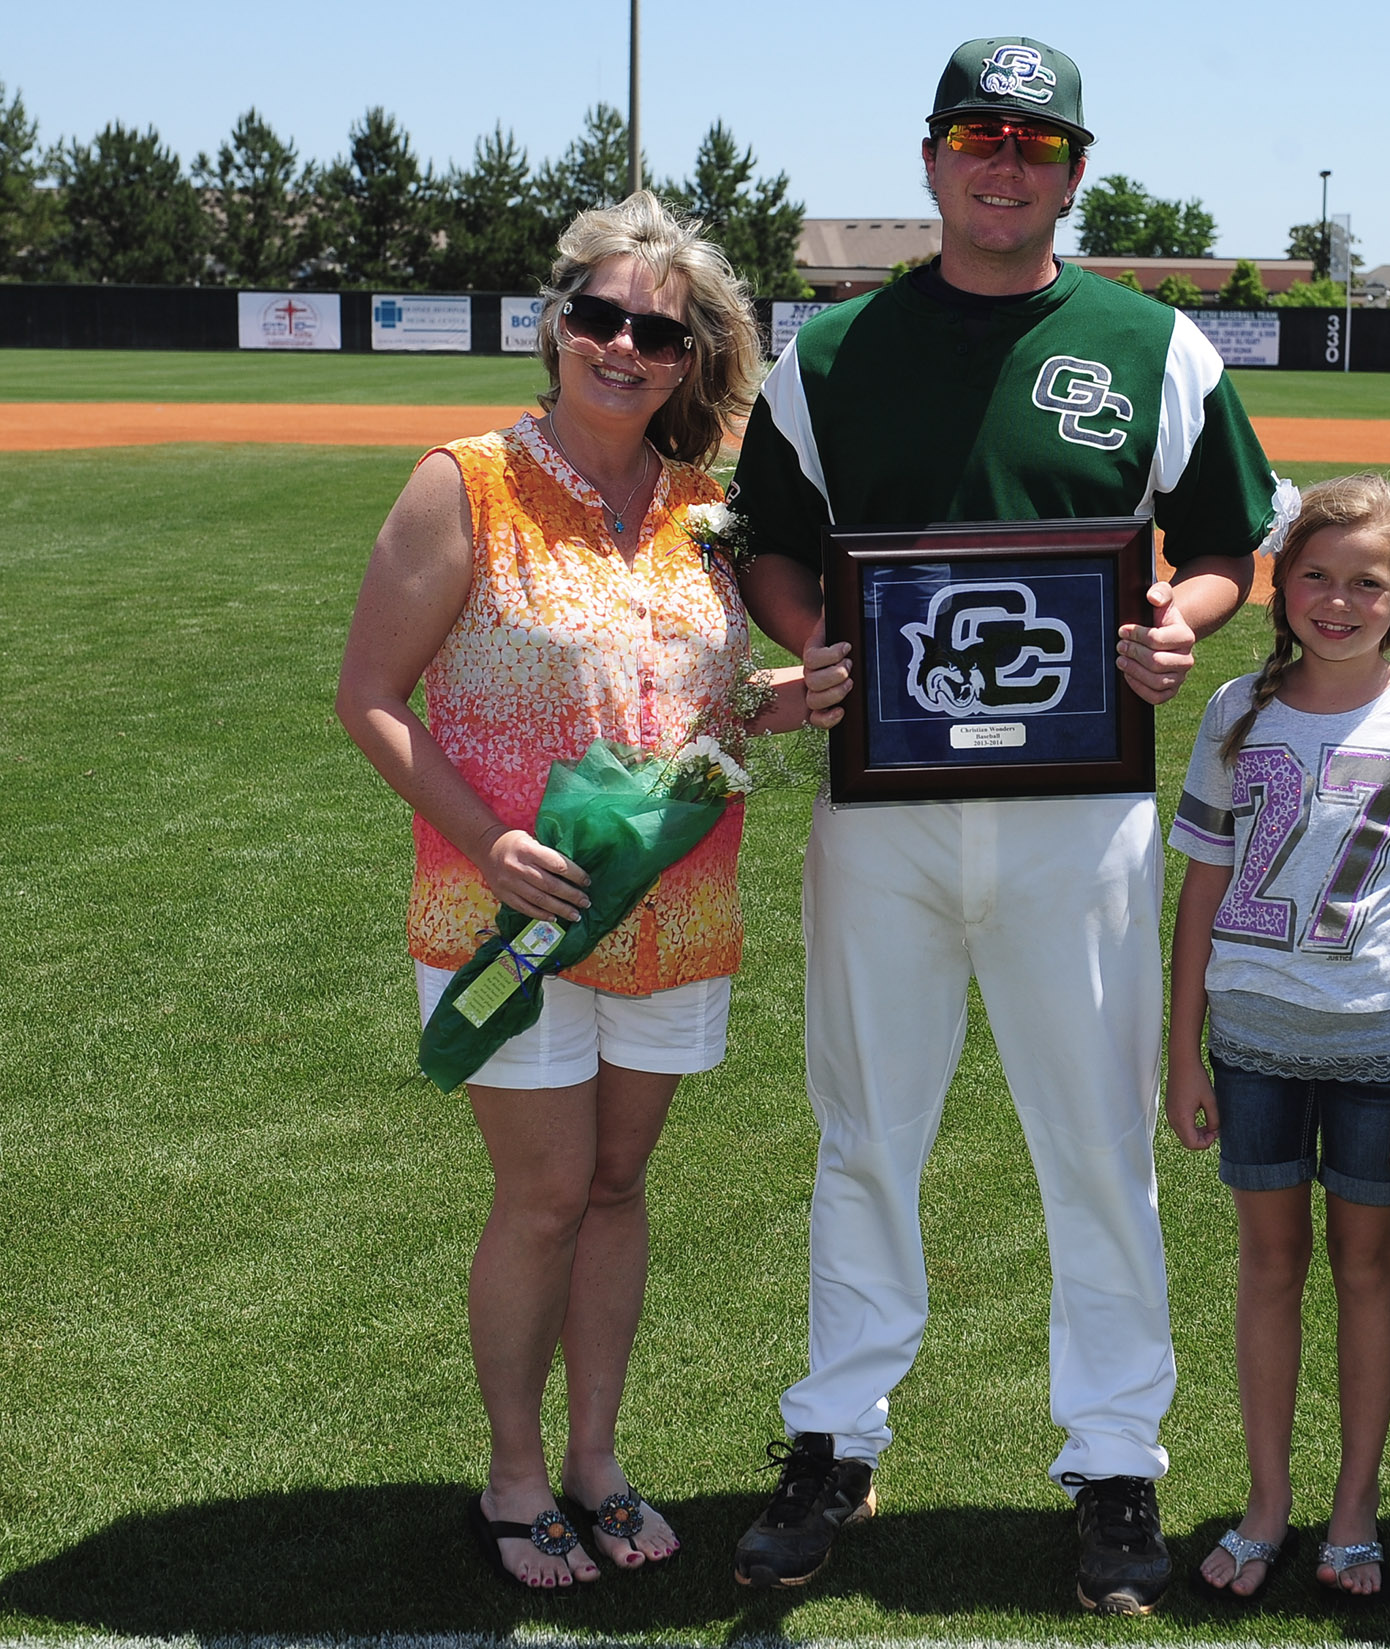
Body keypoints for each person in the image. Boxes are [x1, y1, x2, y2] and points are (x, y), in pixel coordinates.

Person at [725, 35, 1290, 1615]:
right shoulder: (829, 350)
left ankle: (1116, 1463)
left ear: (1074, 171)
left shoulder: (1149, 341)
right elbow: (773, 543)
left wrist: (1180, 618)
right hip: (883, 810)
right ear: (928, 158)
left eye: (1035, 144)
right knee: (865, 1134)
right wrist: (805, 647)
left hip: (1079, 810)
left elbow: (1232, 540)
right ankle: (835, 1435)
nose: (1003, 163)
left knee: (1098, 1142)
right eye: (977, 134)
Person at [335, 193, 779, 1589]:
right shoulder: (463, 482)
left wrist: (778, 700)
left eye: (659, 330)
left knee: (617, 1180)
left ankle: (597, 1455)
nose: (625, 345)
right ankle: (515, 1474)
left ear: (691, 356)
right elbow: (370, 698)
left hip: (676, 906)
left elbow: (700, 700)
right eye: (602, 316)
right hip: (508, 914)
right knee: (539, 1196)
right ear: (557, 323)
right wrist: (482, 840)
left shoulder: (714, 510)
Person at [1165, 474, 1390, 1602]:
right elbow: (1199, 890)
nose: (1337, 601)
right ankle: (1264, 1500)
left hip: (1378, 1045)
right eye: (1316, 576)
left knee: (1366, 1267)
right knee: (1267, 1265)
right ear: (1279, 581)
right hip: (1250, 1036)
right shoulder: (1237, 707)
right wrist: (1182, 1049)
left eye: (1366, 582)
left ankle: (1353, 1505)